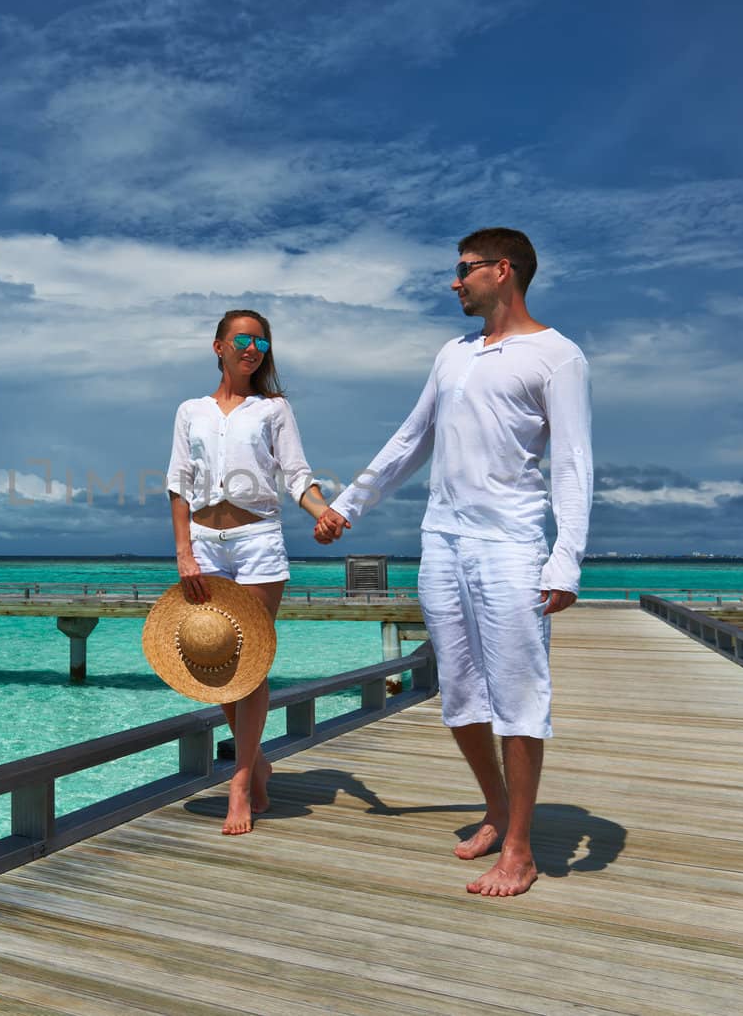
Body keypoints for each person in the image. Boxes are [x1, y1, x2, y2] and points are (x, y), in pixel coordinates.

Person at [315, 228, 592, 896]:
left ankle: (521, 849)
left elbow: (574, 464)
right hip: (441, 541)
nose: (454, 281)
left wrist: (566, 560)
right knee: (461, 696)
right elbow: (412, 437)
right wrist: (349, 503)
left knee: (519, 696)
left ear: (504, 271)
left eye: (465, 269)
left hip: (510, 546)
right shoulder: (453, 354)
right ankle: (497, 810)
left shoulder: (558, 357)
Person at [167, 308, 333, 835]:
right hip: (204, 546)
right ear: (218, 346)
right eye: (241, 339)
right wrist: (183, 552)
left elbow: (296, 475)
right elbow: (178, 483)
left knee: (251, 665)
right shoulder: (190, 410)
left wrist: (321, 512)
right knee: (214, 662)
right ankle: (257, 761)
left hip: (257, 540)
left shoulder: (274, 409)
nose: (251, 348)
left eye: (260, 341)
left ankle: (238, 779)